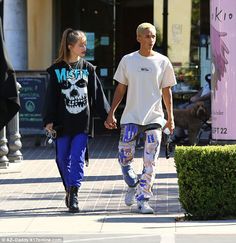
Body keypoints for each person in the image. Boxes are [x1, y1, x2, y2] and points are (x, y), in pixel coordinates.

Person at [104, 23, 176, 214]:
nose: (151, 40)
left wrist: (170, 117)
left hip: (154, 118)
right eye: (146, 36)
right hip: (130, 118)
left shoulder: (163, 61)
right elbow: (121, 88)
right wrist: (111, 113)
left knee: (150, 162)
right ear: (138, 38)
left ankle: (143, 199)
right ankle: (131, 183)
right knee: (124, 157)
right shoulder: (128, 60)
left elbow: (167, 91)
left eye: (153, 36)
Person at [43, 28, 110, 213]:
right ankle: (68, 188)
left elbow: (97, 94)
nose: (84, 48)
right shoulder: (57, 70)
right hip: (61, 122)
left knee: (77, 157)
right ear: (70, 46)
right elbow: (50, 97)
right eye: (81, 45)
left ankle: (74, 193)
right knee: (61, 158)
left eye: (85, 45)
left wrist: (107, 116)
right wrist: (48, 120)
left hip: (82, 122)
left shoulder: (88, 68)